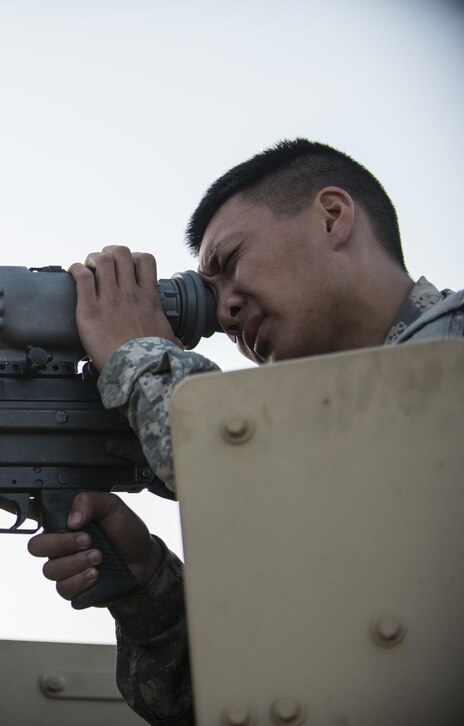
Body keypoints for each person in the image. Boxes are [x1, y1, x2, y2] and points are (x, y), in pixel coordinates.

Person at [27, 138, 464, 725]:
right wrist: (146, 588)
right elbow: (234, 699)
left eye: (230, 264)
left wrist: (138, 356)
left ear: (332, 216)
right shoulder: (314, 464)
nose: (226, 313)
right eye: (210, 295)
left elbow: (321, 472)